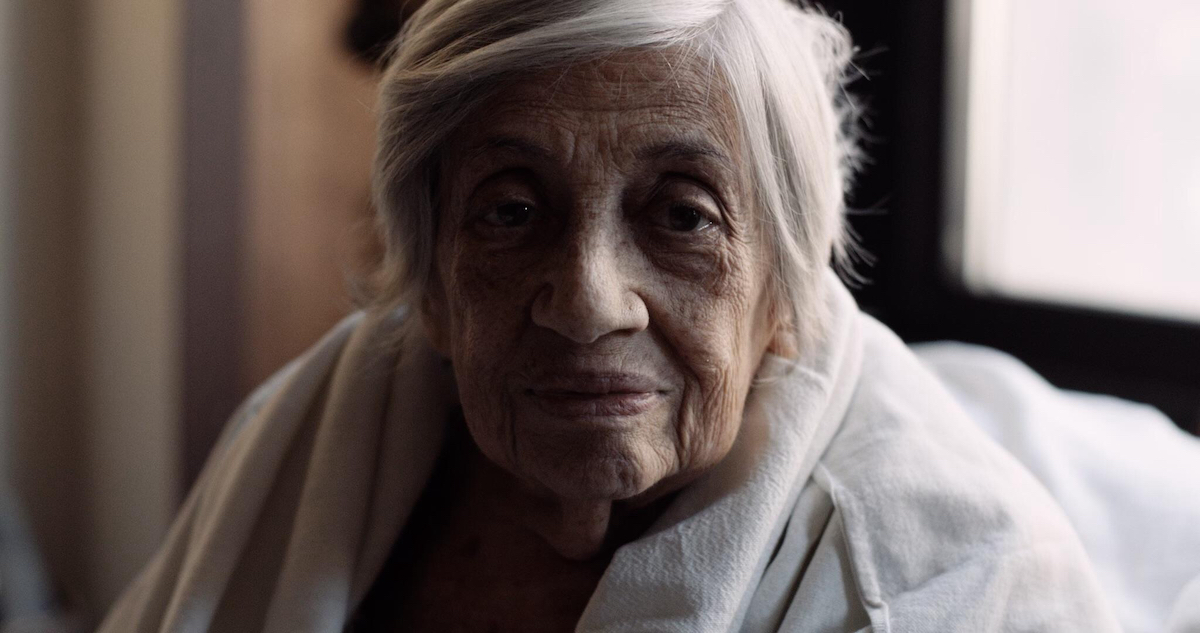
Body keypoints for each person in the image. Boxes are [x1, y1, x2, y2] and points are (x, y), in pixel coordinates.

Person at [99, 0, 1122, 630]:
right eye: (510, 210)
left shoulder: (953, 582)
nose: (588, 302)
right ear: (434, 286)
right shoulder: (325, 420)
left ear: (784, 288)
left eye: (681, 215)